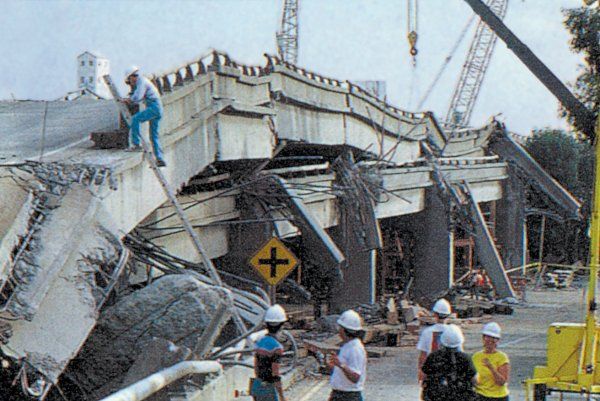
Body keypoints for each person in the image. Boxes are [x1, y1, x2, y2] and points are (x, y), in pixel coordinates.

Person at [123, 66, 167, 167]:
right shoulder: (143, 80)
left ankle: (136, 144)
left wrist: (128, 100)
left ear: (131, 77)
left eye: (129, 81)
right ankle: (160, 158)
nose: (131, 83)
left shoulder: (141, 81)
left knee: (135, 119)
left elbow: (138, 97)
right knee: (154, 135)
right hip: (158, 107)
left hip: (153, 107)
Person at [421, 324, 478, 401]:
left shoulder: (433, 357)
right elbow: (475, 380)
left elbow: (424, 376)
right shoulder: (465, 359)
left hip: (436, 396)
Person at [327, 310, 367, 401]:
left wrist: (340, 365)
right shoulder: (347, 345)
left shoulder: (355, 349)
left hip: (349, 396)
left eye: (340, 328)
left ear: (345, 330)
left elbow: (355, 377)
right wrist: (333, 366)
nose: (338, 330)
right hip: (339, 394)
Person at [251, 305, 288, 401]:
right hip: (268, 389)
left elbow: (256, 367)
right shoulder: (277, 348)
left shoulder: (259, 342)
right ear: (281, 326)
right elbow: (275, 373)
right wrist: (282, 396)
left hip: (257, 386)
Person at [417, 298, 453, 383]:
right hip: (449, 372)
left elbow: (423, 355)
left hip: (432, 372)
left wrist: (421, 371)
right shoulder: (453, 331)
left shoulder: (427, 332)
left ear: (435, 314)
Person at [473, 322, 510, 401]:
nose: (490, 340)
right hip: (480, 395)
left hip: (498, 397)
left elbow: (502, 382)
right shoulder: (476, 356)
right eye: (488, 337)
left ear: (497, 340)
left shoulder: (502, 357)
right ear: (483, 338)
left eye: (493, 338)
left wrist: (491, 368)